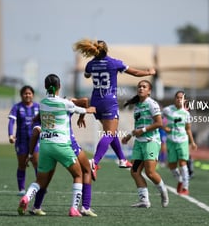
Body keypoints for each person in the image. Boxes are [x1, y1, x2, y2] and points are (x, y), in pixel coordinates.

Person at [73, 39, 156, 180]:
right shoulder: (114, 63)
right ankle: (95, 162)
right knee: (110, 134)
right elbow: (135, 72)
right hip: (109, 101)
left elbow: (87, 74)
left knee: (111, 133)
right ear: (106, 50)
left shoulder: (90, 64)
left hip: (96, 101)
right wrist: (148, 72)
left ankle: (122, 159)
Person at [17, 74, 96, 217]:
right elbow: (84, 108)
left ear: (45, 87)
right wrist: (91, 110)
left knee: (40, 180)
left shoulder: (41, 103)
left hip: (45, 146)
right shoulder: (65, 103)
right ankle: (74, 208)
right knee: (78, 175)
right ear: (59, 86)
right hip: (62, 145)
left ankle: (26, 197)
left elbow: (38, 120)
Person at [30, 97, 98, 216]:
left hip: (51, 144)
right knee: (86, 170)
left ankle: (36, 206)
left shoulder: (46, 105)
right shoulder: (66, 103)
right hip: (67, 142)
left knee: (46, 178)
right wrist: (83, 114)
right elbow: (85, 101)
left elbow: (36, 120)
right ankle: (85, 207)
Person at [121, 80, 169, 208]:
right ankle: (144, 201)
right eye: (139, 86)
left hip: (151, 142)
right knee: (135, 172)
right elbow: (139, 125)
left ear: (149, 91)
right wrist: (129, 135)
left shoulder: (152, 104)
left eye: (144, 87)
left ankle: (164, 192)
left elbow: (159, 123)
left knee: (150, 172)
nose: (141, 88)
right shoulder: (137, 105)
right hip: (139, 143)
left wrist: (142, 131)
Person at [162, 91, 197, 195]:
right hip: (171, 141)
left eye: (181, 98)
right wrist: (164, 127)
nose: (179, 99)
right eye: (177, 97)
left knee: (182, 163)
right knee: (172, 166)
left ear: (184, 100)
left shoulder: (186, 113)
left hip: (182, 141)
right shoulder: (167, 110)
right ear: (174, 98)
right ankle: (180, 180)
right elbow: (158, 120)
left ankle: (186, 187)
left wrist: (192, 142)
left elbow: (188, 129)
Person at [7, 85, 40, 196]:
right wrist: (11, 135)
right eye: (25, 93)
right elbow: (11, 122)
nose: (27, 95)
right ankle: (21, 189)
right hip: (21, 141)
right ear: (21, 95)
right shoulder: (17, 107)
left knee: (36, 163)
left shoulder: (38, 107)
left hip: (35, 141)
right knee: (22, 164)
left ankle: (39, 185)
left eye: (29, 93)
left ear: (33, 95)